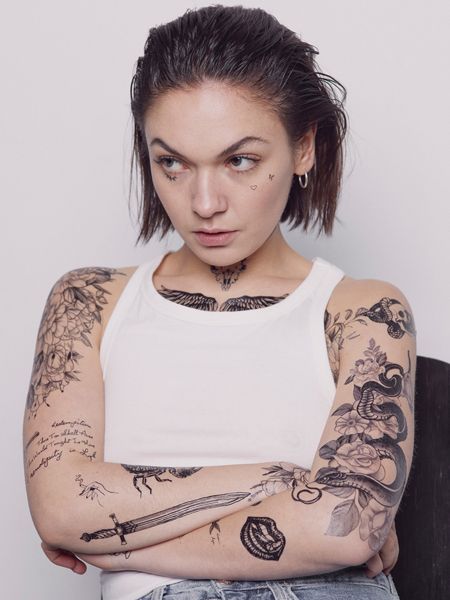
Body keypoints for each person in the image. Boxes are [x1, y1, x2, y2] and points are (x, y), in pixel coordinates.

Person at [23, 5, 416, 599]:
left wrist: (107, 537)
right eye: (172, 163)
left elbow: (342, 529)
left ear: (303, 148)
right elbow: (59, 508)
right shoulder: (88, 302)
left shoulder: (365, 311)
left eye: (239, 160)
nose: (205, 203)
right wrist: (279, 478)